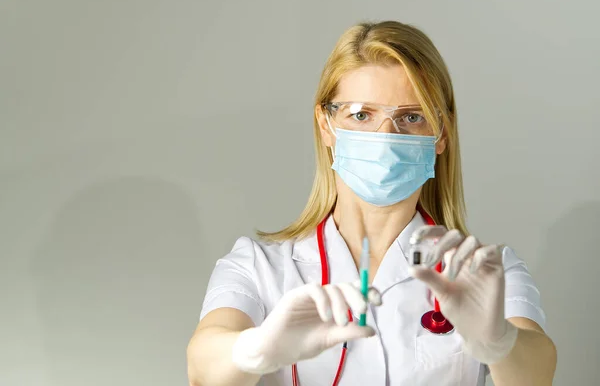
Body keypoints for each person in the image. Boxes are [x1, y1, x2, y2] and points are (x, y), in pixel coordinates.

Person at [186, 20, 557, 386]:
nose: (386, 138)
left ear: (442, 133)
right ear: (326, 125)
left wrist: (498, 342)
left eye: (412, 117)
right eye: (362, 115)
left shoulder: (486, 272)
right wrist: (255, 350)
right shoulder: (259, 265)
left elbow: (537, 372)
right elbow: (203, 367)